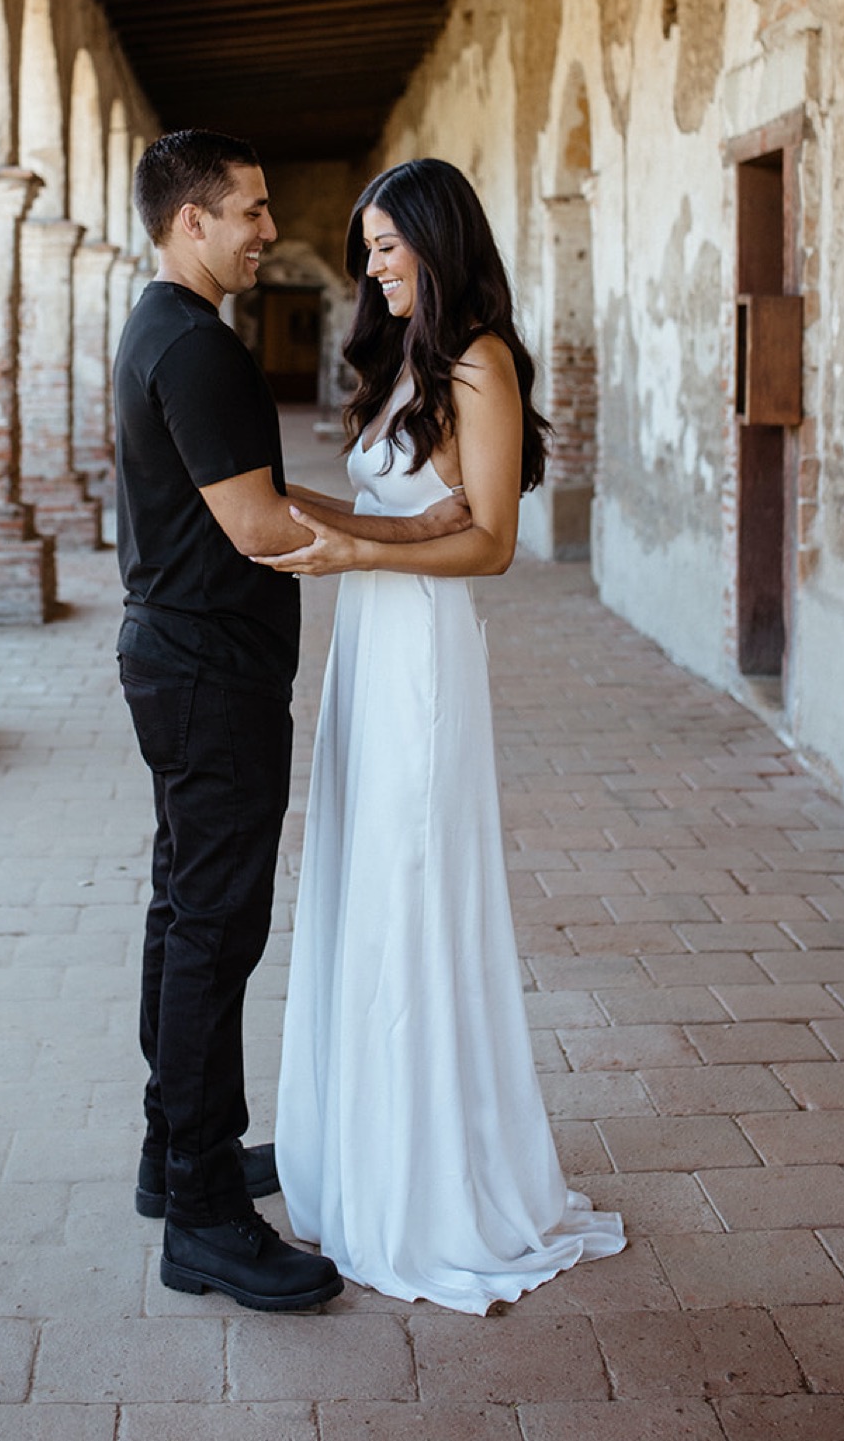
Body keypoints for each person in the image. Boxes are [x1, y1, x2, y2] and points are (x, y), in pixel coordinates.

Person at [258, 157, 626, 1314]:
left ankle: (430, 1193)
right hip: (371, 651)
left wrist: (357, 551)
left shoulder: (481, 359)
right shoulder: (413, 360)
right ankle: (367, 1154)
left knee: (411, 890)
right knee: (364, 888)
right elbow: (407, 508)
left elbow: (491, 540)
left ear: (434, 239)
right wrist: (280, 503)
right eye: (367, 249)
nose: (372, 267)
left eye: (383, 246)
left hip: (421, 657)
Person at [113, 130, 470, 1314]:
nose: (271, 229)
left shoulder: (164, 327)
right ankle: (206, 1216)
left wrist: (406, 529)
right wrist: (400, 548)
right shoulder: (200, 347)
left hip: (185, 661)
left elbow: (263, 500)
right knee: (215, 928)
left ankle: (181, 1160)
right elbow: (263, 532)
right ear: (191, 222)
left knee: (187, 910)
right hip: (207, 673)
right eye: (251, 211)